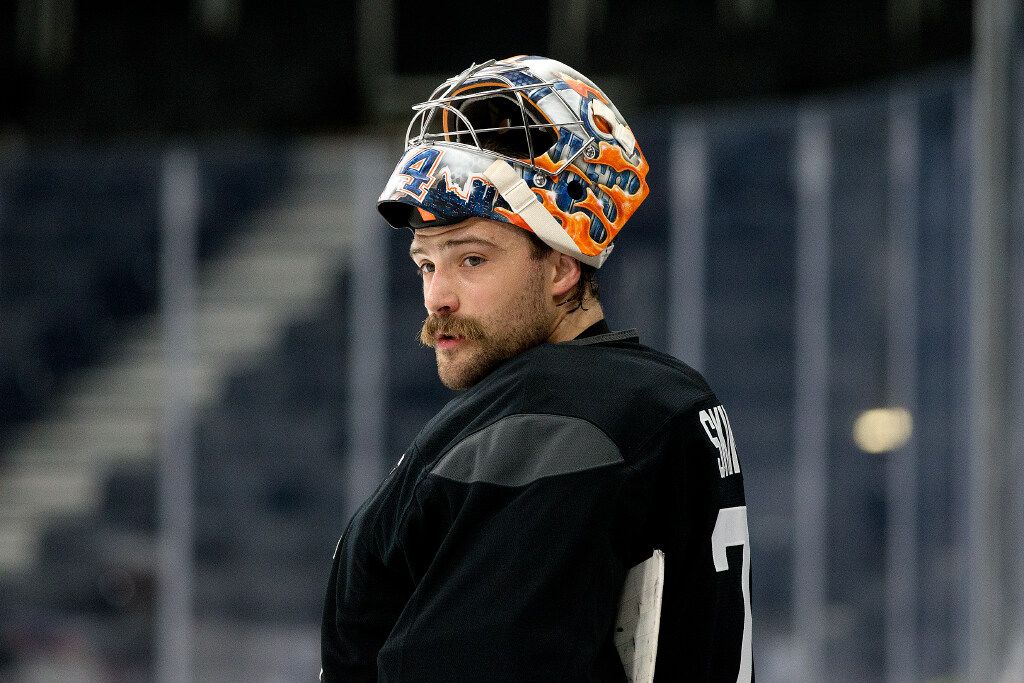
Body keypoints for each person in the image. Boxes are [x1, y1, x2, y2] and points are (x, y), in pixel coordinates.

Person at [321, 56, 753, 681]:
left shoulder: (557, 420)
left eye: (471, 259)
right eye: (426, 264)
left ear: (562, 267)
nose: (437, 296)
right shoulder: (666, 399)